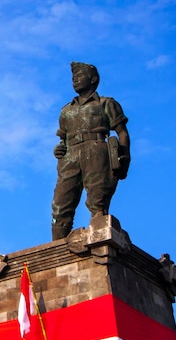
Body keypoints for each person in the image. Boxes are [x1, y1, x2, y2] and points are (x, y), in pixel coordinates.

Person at [51, 62, 131, 240]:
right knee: (60, 203)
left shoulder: (106, 103)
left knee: (98, 198)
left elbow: (122, 133)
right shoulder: (66, 110)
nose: (75, 80)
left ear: (93, 79)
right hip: (70, 156)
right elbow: (62, 140)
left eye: (80, 76)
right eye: (73, 78)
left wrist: (125, 158)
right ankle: (57, 248)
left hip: (96, 151)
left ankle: (100, 235)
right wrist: (60, 150)